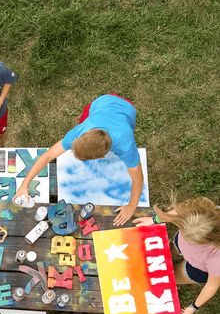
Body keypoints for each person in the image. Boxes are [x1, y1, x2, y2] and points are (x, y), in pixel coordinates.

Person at [14, 94, 144, 226]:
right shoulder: (80, 131)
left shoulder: (125, 144)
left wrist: (131, 206)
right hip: (101, 102)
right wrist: (25, 184)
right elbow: (48, 156)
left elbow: (137, 175)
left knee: (124, 127)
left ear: (102, 156)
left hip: (127, 109)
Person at [133, 196, 219, 314]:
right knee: (169, 248)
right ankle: (175, 250)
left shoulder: (217, 261)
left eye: (190, 239)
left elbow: (212, 286)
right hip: (186, 249)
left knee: (171, 276)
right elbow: (180, 211)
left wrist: (193, 307)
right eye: (182, 228)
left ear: (209, 240)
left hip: (198, 268)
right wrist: (155, 220)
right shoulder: (203, 212)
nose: (183, 234)